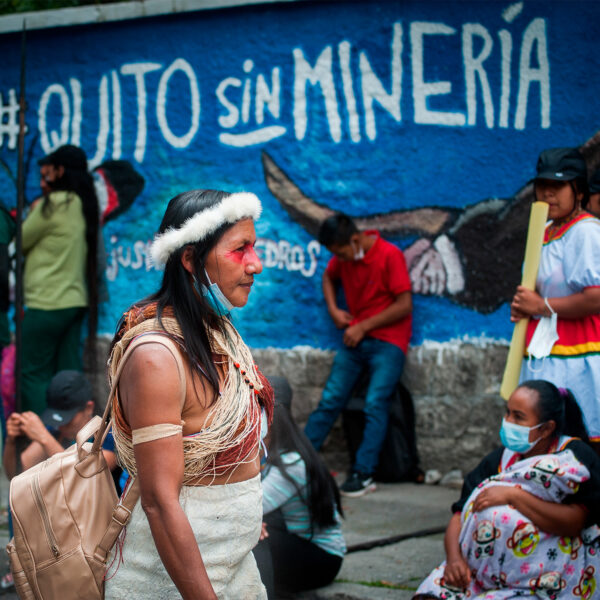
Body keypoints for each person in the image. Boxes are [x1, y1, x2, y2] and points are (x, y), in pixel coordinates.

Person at [104, 189, 273, 599]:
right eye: (240, 250)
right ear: (190, 259)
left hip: (234, 566)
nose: (257, 264)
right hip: (173, 584)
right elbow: (160, 502)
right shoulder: (156, 357)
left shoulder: (218, 334)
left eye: (255, 247)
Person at [414, 380, 600, 600]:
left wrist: (514, 496)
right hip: (482, 570)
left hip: (546, 575)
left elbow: (574, 523)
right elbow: (459, 515)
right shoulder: (502, 458)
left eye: (518, 417)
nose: (508, 422)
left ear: (547, 428)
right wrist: (454, 559)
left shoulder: (573, 458)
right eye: (508, 413)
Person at [304, 212, 412, 496]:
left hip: (388, 343)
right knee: (330, 400)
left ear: (354, 240)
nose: (339, 259)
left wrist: (363, 326)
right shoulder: (342, 258)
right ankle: (297, 463)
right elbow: (328, 277)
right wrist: (333, 310)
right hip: (354, 342)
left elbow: (404, 305)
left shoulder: (390, 255)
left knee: (376, 403)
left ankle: (363, 473)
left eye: (340, 252)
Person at [510, 147, 600, 451]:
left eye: (558, 186)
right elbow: (538, 291)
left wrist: (541, 306)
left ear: (578, 190)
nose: (548, 193)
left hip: (579, 352)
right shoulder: (545, 230)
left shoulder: (586, 232)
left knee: (579, 439)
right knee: (543, 441)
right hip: (543, 350)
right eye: (542, 185)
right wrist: (525, 305)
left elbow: (596, 298)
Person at [21, 144, 99, 415]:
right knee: (67, 374)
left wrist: (32, 211)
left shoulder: (52, 204)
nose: (43, 180)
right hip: (74, 302)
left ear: (60, 170)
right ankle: (70, 436)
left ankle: (40, 438)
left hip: (46, 303)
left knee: (31, 373)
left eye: (47, 174)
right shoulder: (81, 203)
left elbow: (20, 240)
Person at [254, 376, 345, 598]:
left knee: (253, 538)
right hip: (296, 540)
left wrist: (255, 523)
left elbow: (251, 506)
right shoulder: (278, 453)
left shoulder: (291, 462)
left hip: (322, 559)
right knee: (254, 529)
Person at [2, 369, 117, 480]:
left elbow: (86, 477)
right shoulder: (55, 431)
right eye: (57, 420)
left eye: (67, 419)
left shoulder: (108, 435)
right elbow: (17, 474)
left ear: (89, 408)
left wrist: (44, 437)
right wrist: (11, 442)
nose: (61, 426)